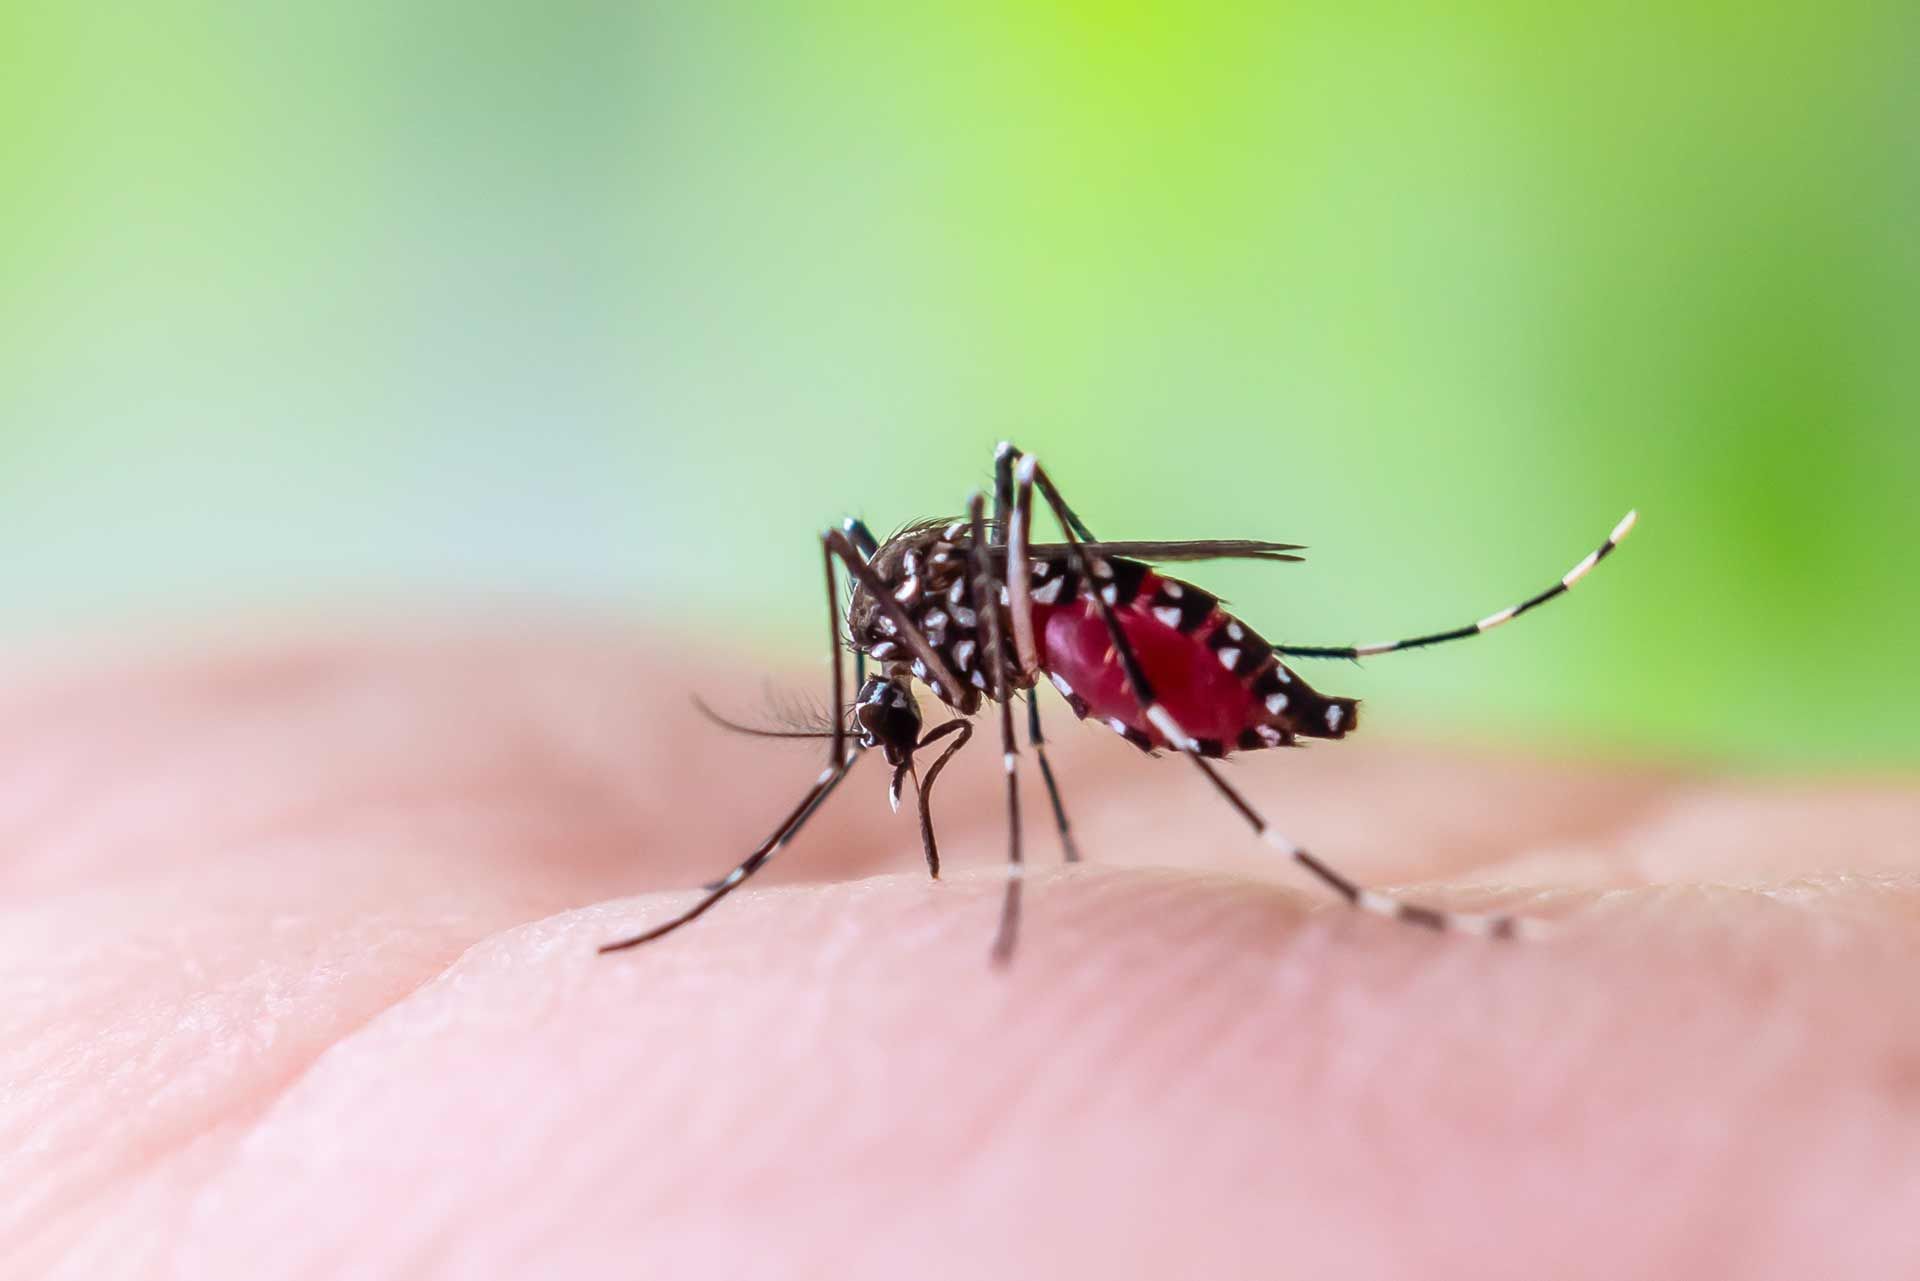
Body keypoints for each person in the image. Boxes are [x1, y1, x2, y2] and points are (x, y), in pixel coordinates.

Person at [6, 625, 1917, 1278]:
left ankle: (1241, 740)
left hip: (1082, 626)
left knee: (995, 556)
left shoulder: (975, 655)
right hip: (1046, 638)